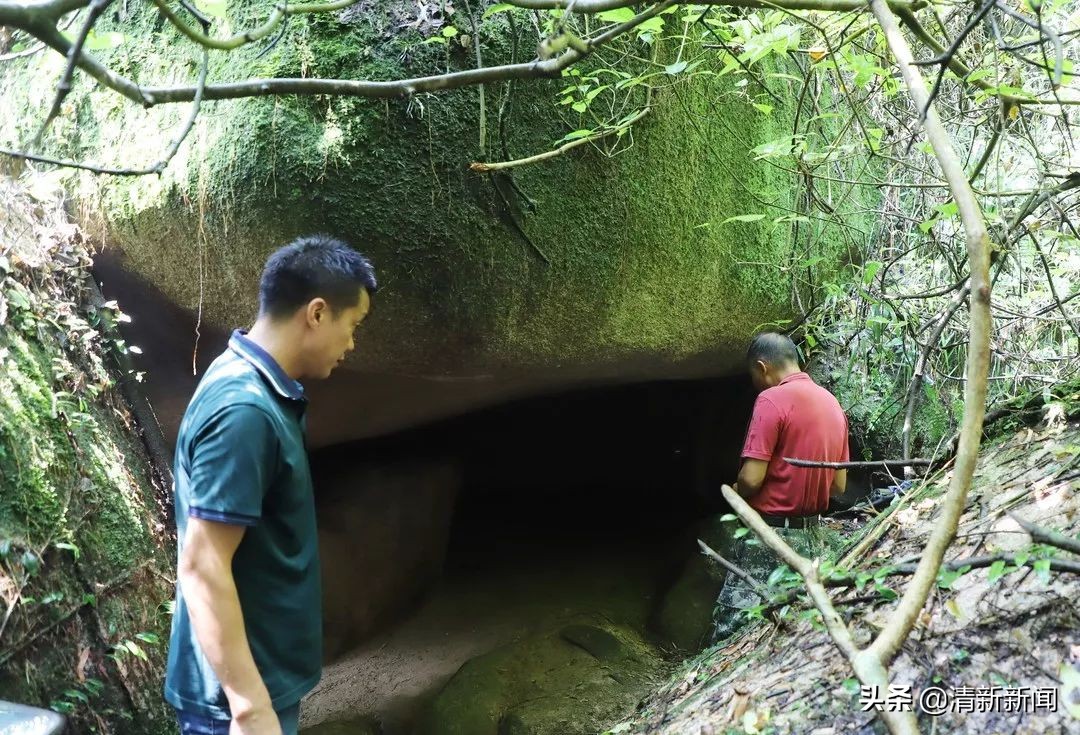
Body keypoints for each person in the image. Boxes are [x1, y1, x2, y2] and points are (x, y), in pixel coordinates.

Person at [164, 235, 376, 735]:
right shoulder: (244, 410)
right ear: (317, 313)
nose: (352, 343)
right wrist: (249, 707)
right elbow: (203, 565)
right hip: (235, 702)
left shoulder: (255, 385)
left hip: (257, 684)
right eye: (354, 325)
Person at [713, 331, 849, 641]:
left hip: (769, 537)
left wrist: (738, 491)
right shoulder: (832, 403)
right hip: (813, 539)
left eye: (753, 376)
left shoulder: (770, 399)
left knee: (733, 626)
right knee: (790, 626)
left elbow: (751, 478)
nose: (755, 384)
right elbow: (838, 485)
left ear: (762, 367)